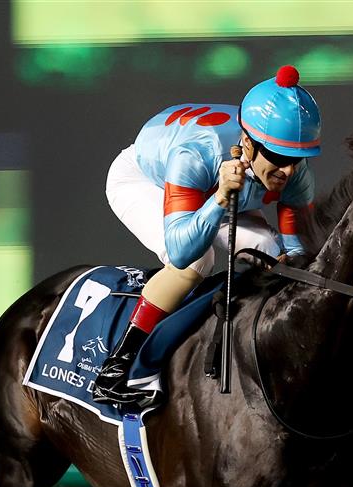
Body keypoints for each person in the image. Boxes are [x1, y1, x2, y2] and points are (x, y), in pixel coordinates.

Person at [93, 65, 322, 410]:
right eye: (277, 158)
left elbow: (297, 251)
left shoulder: (294, 172)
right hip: (149, 179)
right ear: (247, 143)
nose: (288, 171)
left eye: (296, 159)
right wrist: (218, 200)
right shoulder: (199, 153)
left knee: (269, 253)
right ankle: (118, 370)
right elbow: (181, 249)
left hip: (217, 187)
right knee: (198, 261)